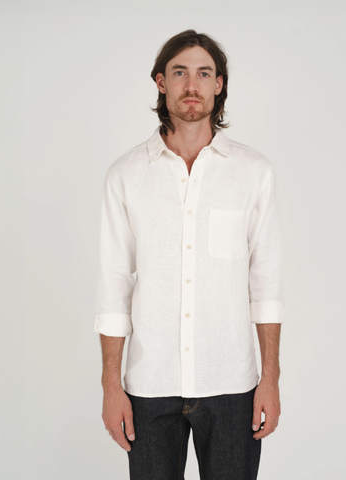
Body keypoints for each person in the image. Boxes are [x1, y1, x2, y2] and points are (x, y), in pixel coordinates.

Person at [94, 29, 285, 480]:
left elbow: (266, 285)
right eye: (180, 72)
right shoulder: (125, 175)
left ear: (219, 84)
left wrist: (270, 379)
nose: (192, 85)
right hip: (149, 385)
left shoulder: (253, 172)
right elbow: (113, 286)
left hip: (232, 384)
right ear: (161, 82)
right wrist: (110, 387)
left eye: (203, 73)